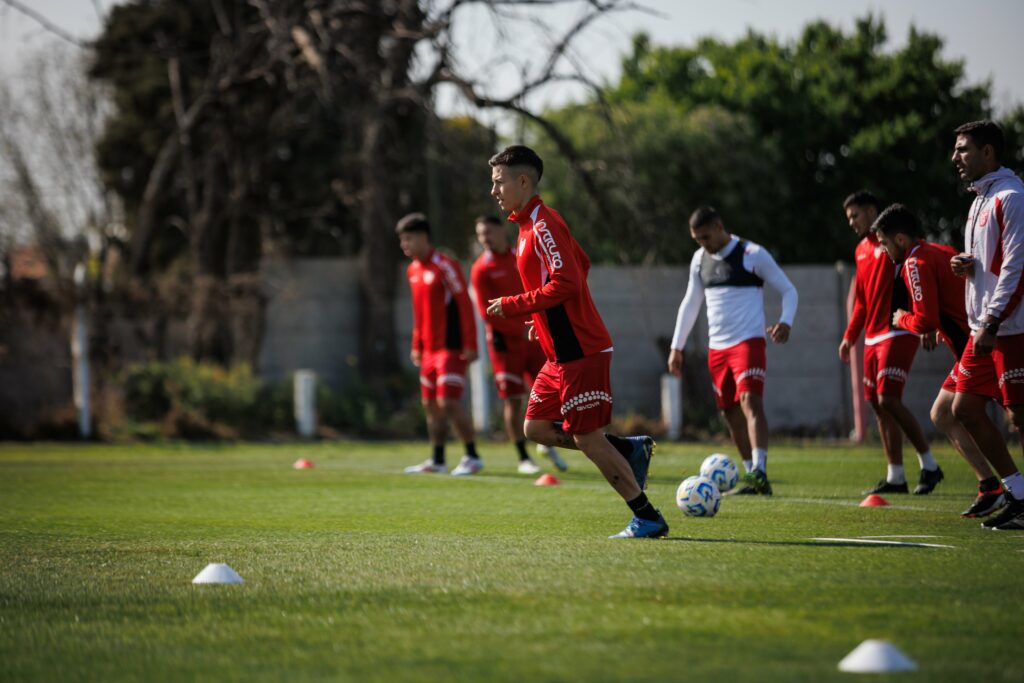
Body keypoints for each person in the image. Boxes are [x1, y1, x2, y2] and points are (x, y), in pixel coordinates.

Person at [484, 145, 666, 539]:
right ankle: (628, 450)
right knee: (535, 428)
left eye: (499, 182)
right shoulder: (529, 226)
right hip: (558, 353)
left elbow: (567, 281)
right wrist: (542, 318)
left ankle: (647, 516)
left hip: (580, 350)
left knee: (586, 438)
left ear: (523, 181)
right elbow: (580, 263)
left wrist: (517, 306)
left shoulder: (544, 224)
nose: (494, 191)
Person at [874, 203, 1000, 509]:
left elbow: (926, 319)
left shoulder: (913, 264)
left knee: (998, 412)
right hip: (976, 343)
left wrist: (902, 318)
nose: (884, 251)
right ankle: (990, 486)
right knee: (943, 413)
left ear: (901, 240)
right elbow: (945, 302)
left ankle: (1010, 486)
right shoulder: (938, 250)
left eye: (884, 243)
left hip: (979, 345)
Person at [667, 206, 798, 495]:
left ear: (719, 226)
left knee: (750, 400)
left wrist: (785, 321)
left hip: (748, 342)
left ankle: (760, 471)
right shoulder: (700, 260)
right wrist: (677, 347)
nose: (704, 244)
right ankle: (751, 472)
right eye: (697, 240)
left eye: (706, 237)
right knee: (729, 413)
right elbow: (690, 304)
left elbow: (789, 290)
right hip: (718, 349)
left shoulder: (752, 254)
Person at [949, 119, 1024, 530]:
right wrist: (968, 265)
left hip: (1009, 327)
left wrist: (993, 320)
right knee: (964, 408)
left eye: (963, 149)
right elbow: (993, 263)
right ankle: (1018, 491)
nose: (955, 157)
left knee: (1020, 416)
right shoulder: (979, 200)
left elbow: (1016, 266)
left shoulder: (1011, 197)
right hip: (985, 327)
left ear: (988, 153)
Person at [839, 191, 937, 495]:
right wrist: (849, 337)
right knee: (879, 405)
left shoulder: (896, 242)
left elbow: (920, 277)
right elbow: (862, 303)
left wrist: (925, 321)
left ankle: (930, 465)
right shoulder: (860, 251)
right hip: (872, 336)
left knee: (888, 399)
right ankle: (896, 475)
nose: (852, 223)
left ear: (871, 211)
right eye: (849, 219)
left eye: (855, 216)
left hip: (900, 331)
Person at [470, 214, 568, 474]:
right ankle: (523, 457)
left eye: (489, 232)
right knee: (513, 399)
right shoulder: (481, 268)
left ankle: (546, 441)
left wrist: (539, 324)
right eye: (480, 235)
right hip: (505, 344)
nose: (485, 239)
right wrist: (520, 327)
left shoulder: (519, 255)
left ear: (502, 231)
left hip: (535, 339)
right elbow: (486, 312)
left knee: (552, 393)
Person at [397, 212, 484, 476]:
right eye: (402, 240)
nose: (404, 245)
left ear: (424, 237)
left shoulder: (445, 265)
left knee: (449, 402)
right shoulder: (413, 270)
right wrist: (417, 344)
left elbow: (464, 304)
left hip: (451, 347)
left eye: (409, 239)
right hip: (429, 351)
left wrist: (470, 344)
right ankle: (437, 460)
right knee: (430, 405)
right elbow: (419, 310)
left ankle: (472, 456)